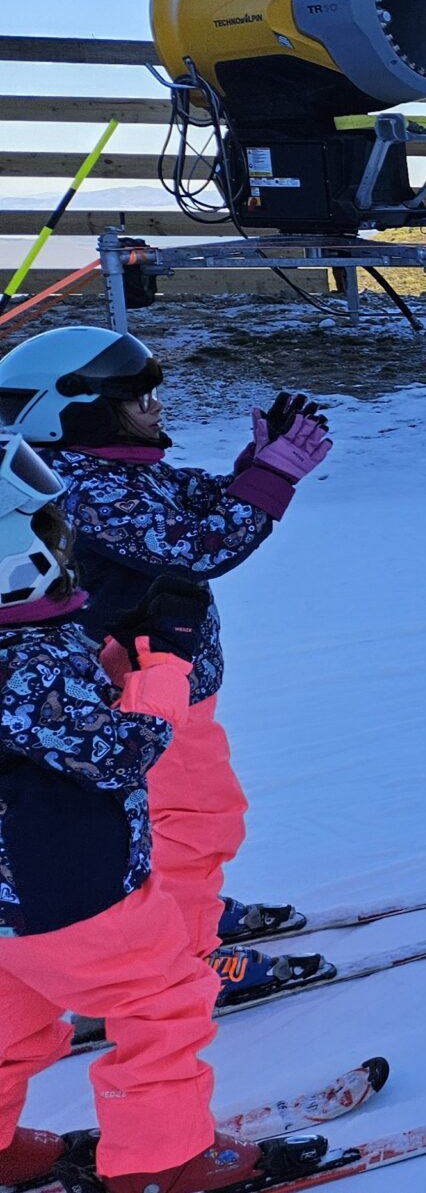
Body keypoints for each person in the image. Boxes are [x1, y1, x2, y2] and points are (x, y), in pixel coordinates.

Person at [0, 329, 333, 1003]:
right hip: (144, 689)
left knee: (177, 820)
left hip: (167, 684)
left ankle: (188, 910)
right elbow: (195, 544)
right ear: (79, 409)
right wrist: (272, 477)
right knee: (198, 818)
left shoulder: (113, 467)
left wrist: (255, 462)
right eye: (140, 396)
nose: (157, 406)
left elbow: (194, 501)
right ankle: (186, 955)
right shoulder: (82, 488)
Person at [0, 433, 291, 1193]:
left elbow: (45, 726)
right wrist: (163, 666)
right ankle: (160, 1162)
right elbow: (119, 752)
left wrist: (113, 666)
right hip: (69, 887)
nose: (70, 551)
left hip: (9, 907)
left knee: (8, 1020)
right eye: (53, 534)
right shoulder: (24, 657)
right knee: (159, 1004)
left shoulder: (29, 647)